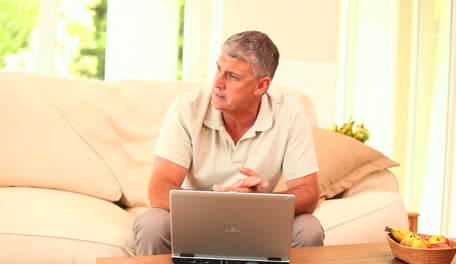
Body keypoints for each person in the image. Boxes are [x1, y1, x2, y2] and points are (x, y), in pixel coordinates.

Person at [133, 30, 324, 255]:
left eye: (232, 76)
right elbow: (159, 190)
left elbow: (308, 194)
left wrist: (259, 202)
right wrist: (221, 202)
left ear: (261, 86)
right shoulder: (186, 108)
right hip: (194, 218)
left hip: (257, 220)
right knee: (151, 223)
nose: (217, 82)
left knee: (308, 228)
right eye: (218, 69)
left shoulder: (290, 113)